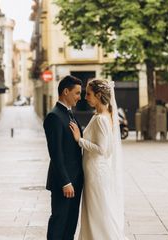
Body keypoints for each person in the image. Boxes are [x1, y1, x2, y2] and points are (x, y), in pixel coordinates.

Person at [69, 79, 127, 240]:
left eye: (88, 93)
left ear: (99, 95)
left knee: (97, 212)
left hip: (95, 172)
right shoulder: (104, 115)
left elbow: (102, 149)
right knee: (97, 210)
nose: (85, 97)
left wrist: (79, 139)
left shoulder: (101, 118)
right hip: (95, 170)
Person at [43, 75, 84, 240]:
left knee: (71, 224)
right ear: (65, 92)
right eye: (77, 93)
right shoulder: (54, 116)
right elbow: (56, 154)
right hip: (64, 182)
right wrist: (66, 182)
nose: (79, 97)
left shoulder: (69, 114)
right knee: (59, 223)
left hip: (76, 180)